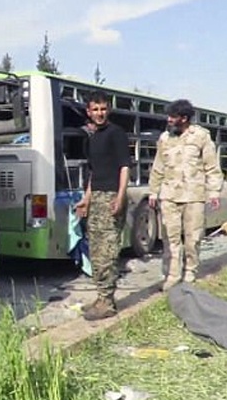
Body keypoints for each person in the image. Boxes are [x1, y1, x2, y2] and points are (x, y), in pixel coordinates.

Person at [148, 99, 222, 291]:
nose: (169, 119)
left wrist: (214, 192)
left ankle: (190, 271)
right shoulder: (164, 138)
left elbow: (211, 166)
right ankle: (172, 275)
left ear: (184, 118)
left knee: (193, 237)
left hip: (193, 196)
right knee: (170, 237)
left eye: (173, 116)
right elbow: (158, 167)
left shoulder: (201, 137)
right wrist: (153, 191)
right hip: (169, 195)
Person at [74, 91, 130, 321]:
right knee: (96, 251)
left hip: (110, 197)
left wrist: (120, 196)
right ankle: (100, 296)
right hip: (97, 196)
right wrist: (86, 199)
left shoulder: (116, 134)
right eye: (95, 109)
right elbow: (94, 172)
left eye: (103, 109)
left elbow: (124, 167)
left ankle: (107, 302)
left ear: (109, 109)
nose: (99, 113)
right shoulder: (93, 136)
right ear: (89, 111)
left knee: (107, 251)